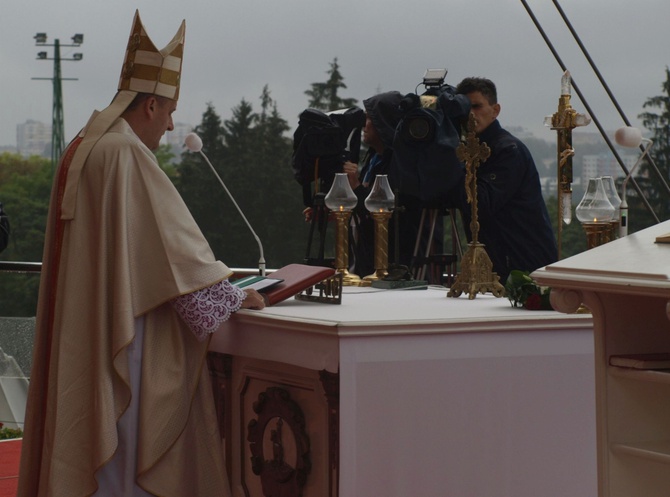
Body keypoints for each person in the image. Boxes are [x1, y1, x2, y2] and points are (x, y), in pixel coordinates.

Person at [17, 11, 264, 497]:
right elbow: (178, 257)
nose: (171, 125)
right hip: (125, 343)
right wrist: (234, 298)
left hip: (89, 328)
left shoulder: (84, 145)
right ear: (150, 105)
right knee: (124, 463)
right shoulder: (125, 153)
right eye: (170, 111)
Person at [444, 77, 557, 283]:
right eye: (465, 108)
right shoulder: (473, 149)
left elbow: (479, 203)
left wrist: (451, 157)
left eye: (477, 106)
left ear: (495, 110)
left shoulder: (507, 151)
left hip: (520, 266)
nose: (470, 114)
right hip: (499, 263)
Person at [343, 91, 428, 279]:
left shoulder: (400, 166)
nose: (364, 125)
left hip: (389, 266)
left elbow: (384, 213)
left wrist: (356, 185)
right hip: (365, 257)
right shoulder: (374, 158)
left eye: (369, 118)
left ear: (383, 122)